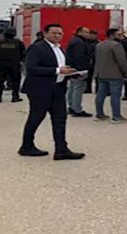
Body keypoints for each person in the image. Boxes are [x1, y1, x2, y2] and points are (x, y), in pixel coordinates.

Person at [18, 24, 85, 160]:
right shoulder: (37, 47)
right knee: (36, 117)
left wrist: (72, 73)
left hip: (58, 88)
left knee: (60, 119)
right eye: (54, 33)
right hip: (40, 89)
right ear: (45, 34)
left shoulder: (59, 48)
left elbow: (61, 67)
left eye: (60, 33)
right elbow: (31, 68)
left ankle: (61, 150)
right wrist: (58, 70)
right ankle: (26, 146)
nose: (57, 36)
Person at [93, 28, 127, 123]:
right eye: (118, 35)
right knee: (115, 96)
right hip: (115, 74)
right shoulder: (116, 45)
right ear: (112, 35)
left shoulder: (99, 44)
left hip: (101, 73)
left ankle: (99, 114)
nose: (120, 36)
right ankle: (116, 116)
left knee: (100, 95)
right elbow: (122, 61)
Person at [0, 27, 26, 103]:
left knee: (0, 81)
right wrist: (20, 60)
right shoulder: (18, 42)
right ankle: (15, 97)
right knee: (15, 81)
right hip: (14, 65)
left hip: (2, 64)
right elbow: (24, 53)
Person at [65, 27, 93, 117]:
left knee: (72, 88)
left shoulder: (74, 40)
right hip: (78, 70)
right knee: (78, 88)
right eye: (86, 32)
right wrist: (82, 70)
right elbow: (79, 57)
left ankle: (71, 106)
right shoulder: (79, 43)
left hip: (72, 68)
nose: (88, 34)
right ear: (80, 32)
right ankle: (77, 109)